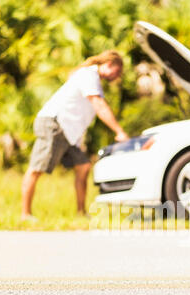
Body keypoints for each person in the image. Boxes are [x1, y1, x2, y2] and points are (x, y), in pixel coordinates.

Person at [21, 51, 129, 221]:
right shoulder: (89, 75)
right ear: (109, 64)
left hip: (69, 132)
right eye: (117, 71)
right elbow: (99, 105)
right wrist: (119, 131)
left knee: (84, 165)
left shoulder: (92, 78)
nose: (118, 76)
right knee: (36, 168)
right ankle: (25, 215)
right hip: (54, 125)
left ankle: (81, 213)